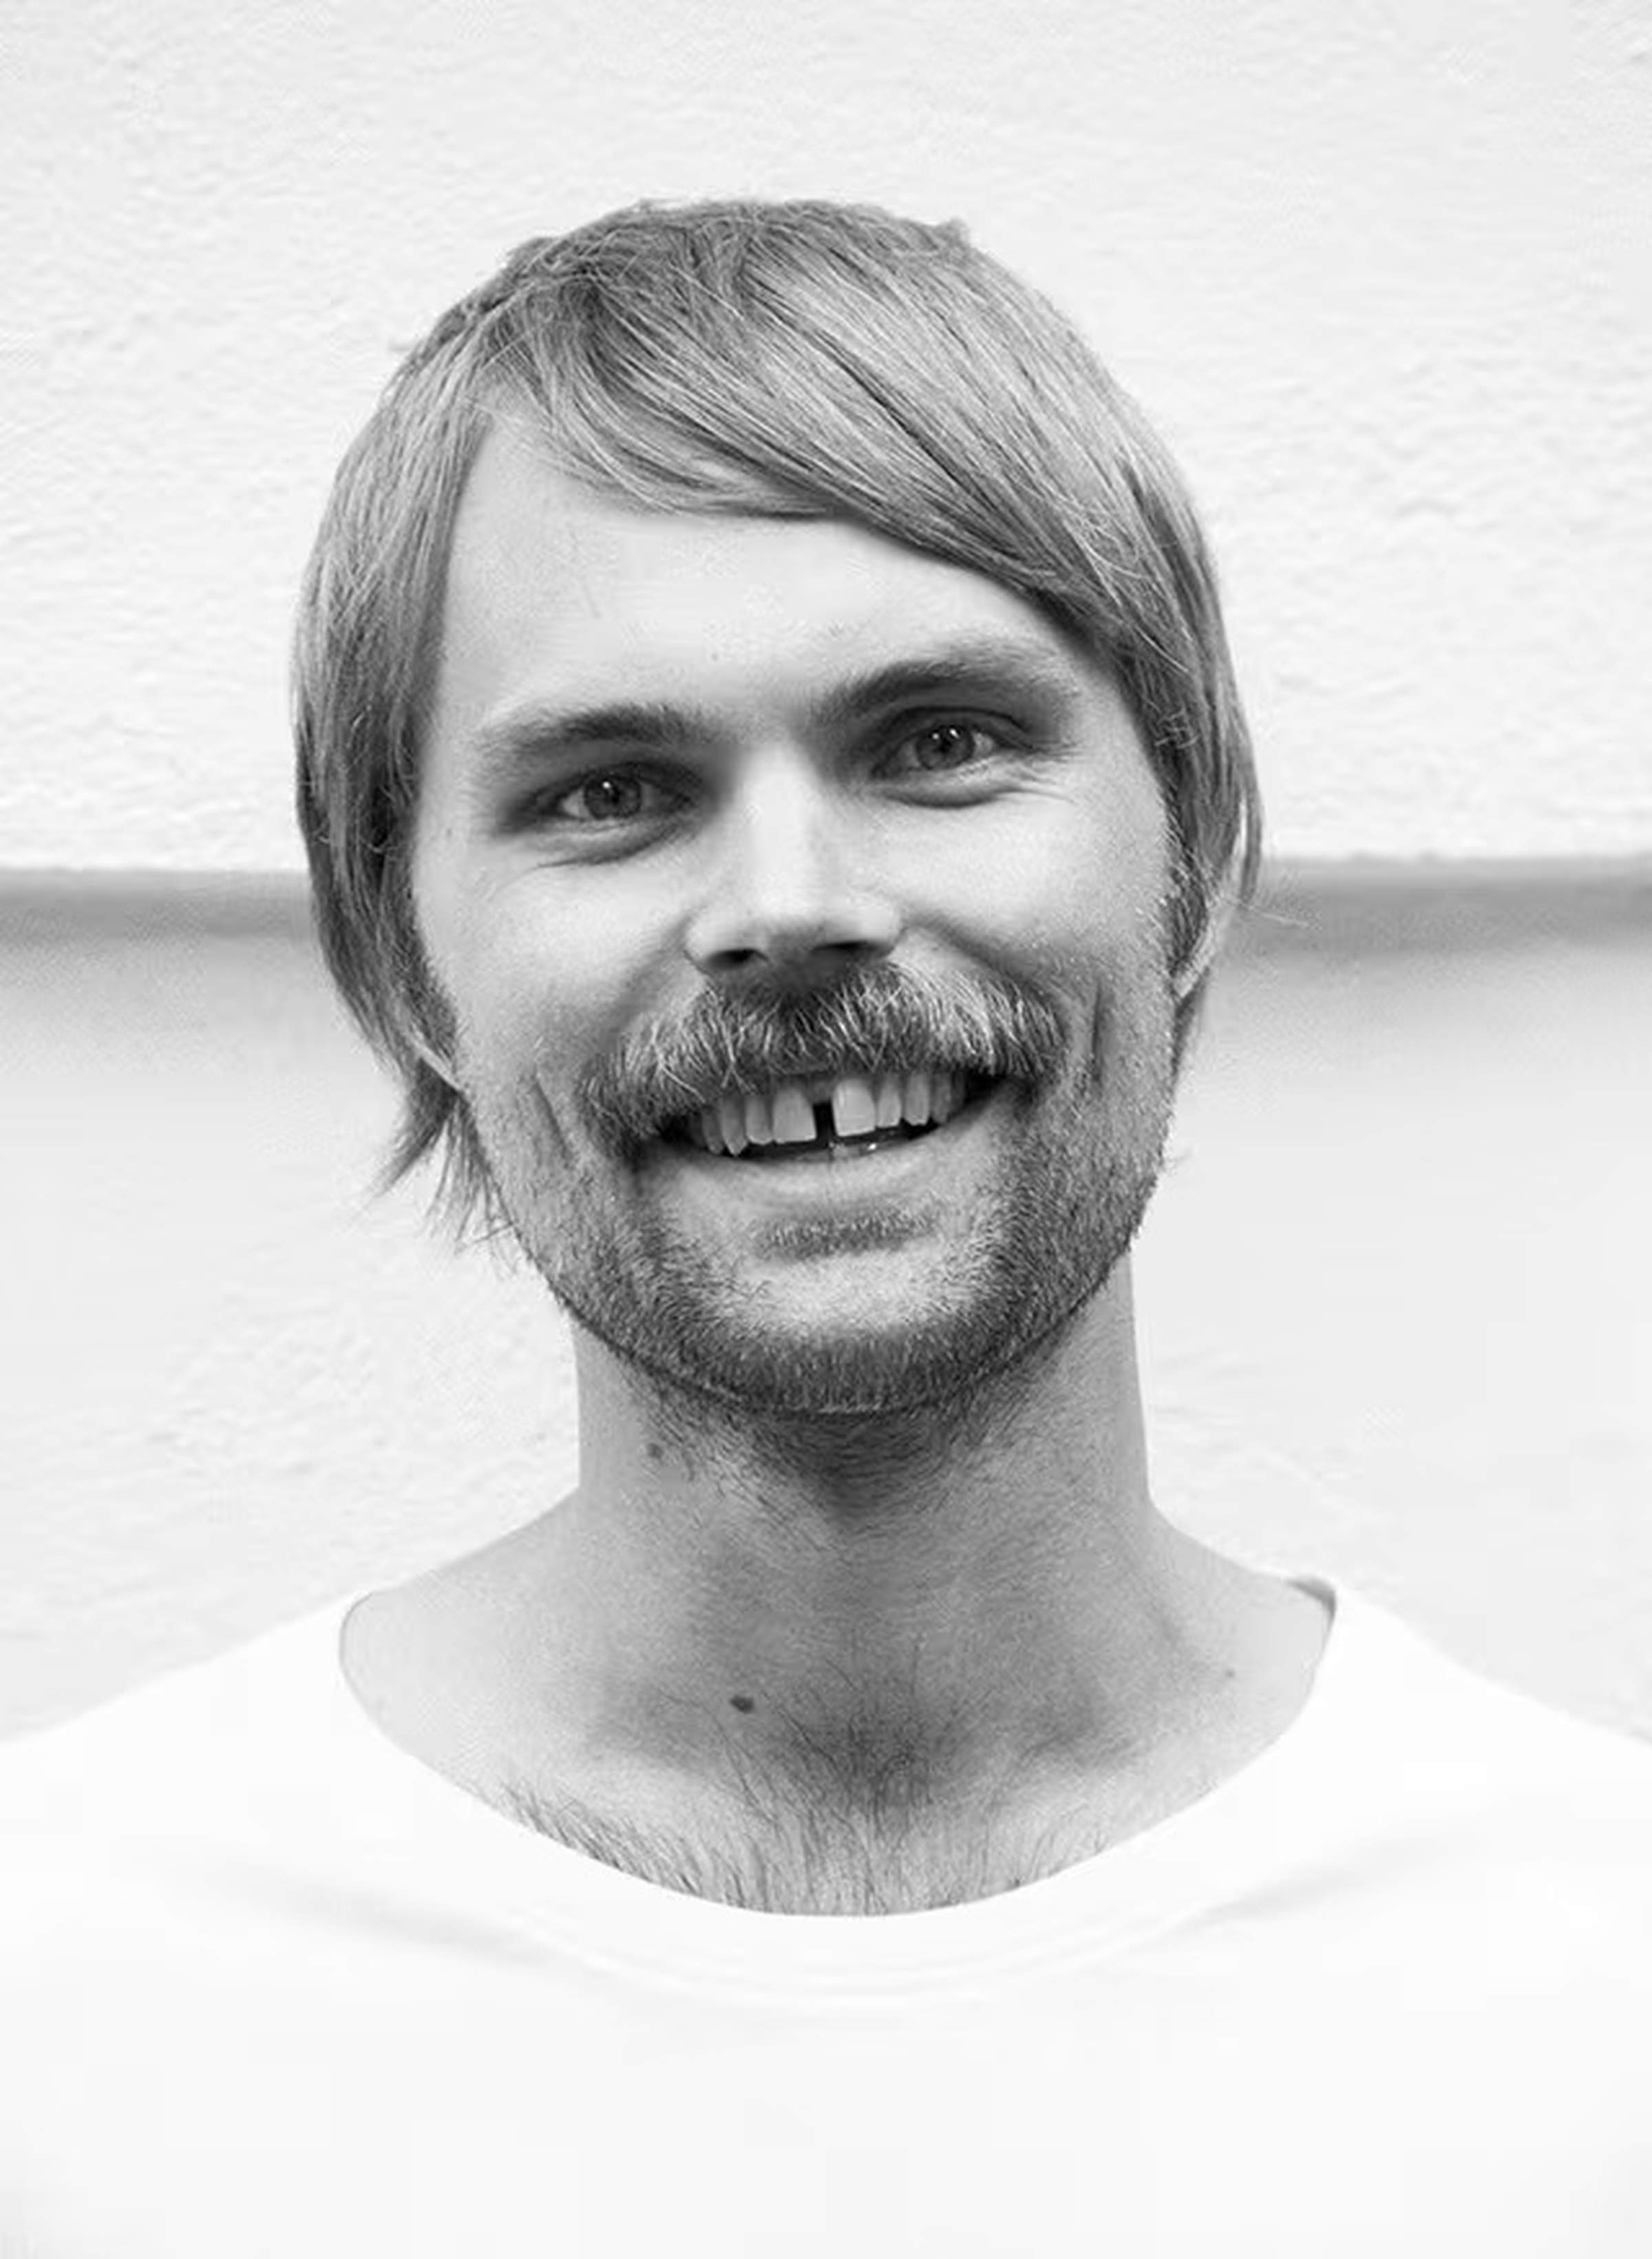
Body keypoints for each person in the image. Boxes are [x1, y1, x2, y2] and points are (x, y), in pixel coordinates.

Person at [3, 198, 1649, 2256]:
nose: (790, 904)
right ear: (406, 963)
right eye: (610, 789)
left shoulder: (1602, 1993)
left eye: (942, 743)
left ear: (1199, 849)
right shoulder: (59, 2003)